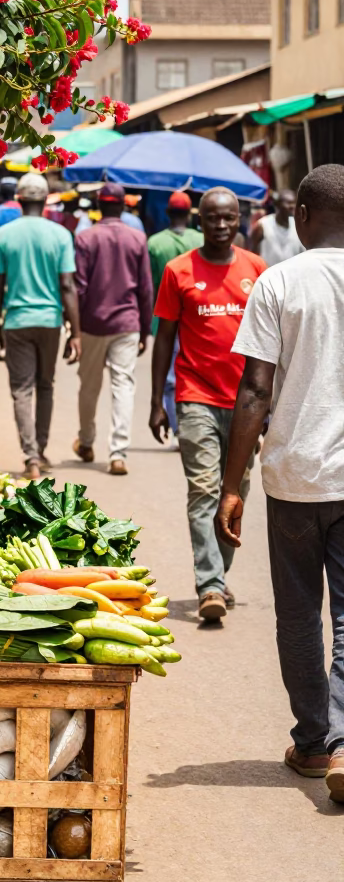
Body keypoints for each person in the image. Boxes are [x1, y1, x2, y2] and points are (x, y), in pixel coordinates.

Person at [216, 165, 344, 802]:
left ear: (299, 215)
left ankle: (316, 743)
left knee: (298, 615)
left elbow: (254, 392)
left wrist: (231, 485)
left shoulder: (279, 281)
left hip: (295, 477)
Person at [149, 186, 266, 621]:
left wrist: (271, 404)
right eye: (212, 218)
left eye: (228, 218)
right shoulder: (178, 271)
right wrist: (156, 401)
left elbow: (273, 346)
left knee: (237, 492)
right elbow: (164, 338)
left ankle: (220, 572)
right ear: (199, 220)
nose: (220, 226)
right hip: (194, 396)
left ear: (240, 220)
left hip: (246, 404)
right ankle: (210, 585)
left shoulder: (258, 270)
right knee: (202, 490)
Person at [0, 172, 81, 479]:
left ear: (19, 199)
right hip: (50, 322)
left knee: (22, 390)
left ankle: (30, 456)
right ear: (44, 200)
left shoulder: (3, 234)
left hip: (16, 321)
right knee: (45, 385)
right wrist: (75, 333)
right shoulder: (60, 235)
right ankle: (39, 450)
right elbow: (67, 286)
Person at [72, 182, 153, 476]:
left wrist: (75, 330)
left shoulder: (85, 238)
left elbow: (78, 288)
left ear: (98, 205)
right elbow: (145, 288)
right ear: (123, 206)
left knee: (89, 386)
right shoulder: (137, 239)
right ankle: (118, 453)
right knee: (123, 386)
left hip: (92, 324)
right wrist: (145, 329)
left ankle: (86, 441)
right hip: (127, 323)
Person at [147, 192, 204, 435]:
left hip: (166, 316)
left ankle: (177, 426)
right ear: (190, 214)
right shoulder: (201, 239)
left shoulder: (155, 243)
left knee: (170, 378)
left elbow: (150, 284)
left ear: (168, 213)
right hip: (199, 317)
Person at [250, 189, 303, 265]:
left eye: (294, 203)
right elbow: (252, 254)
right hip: (269, 273)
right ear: (277, 205)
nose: (292, 206)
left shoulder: (299, 225)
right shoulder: (263, 225)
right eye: (288, 203)